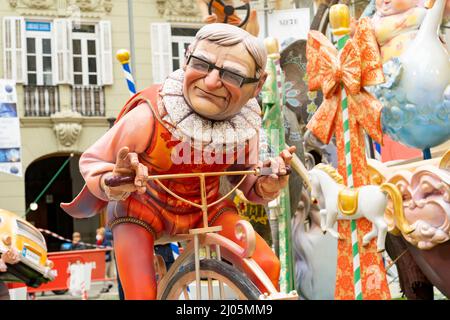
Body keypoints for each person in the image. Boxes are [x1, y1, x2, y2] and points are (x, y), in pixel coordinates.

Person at [62, 23, 295, 300]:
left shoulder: (244, 128)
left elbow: (247, 183)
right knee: (141, 294)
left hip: (207, 209)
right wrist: (115, 180)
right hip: (141, 210)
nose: (210, 82)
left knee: (266, 266)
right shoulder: (150, 116)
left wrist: (267, 183)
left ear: (257, 85)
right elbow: (94, 161)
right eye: (200, 63)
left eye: (232, 74)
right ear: (186, 59)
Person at [96, 227, 115, 293]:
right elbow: (97, 247)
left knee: (104, 274)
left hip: (107, 259)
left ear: (102, 234)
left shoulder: (107, 240)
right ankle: (107, 286)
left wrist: (101, 249)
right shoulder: (99, 241)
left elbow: (109, 248)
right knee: (104, 274)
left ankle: (107, 286)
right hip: (101, 259)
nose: (97, 235)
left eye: (99, 234)